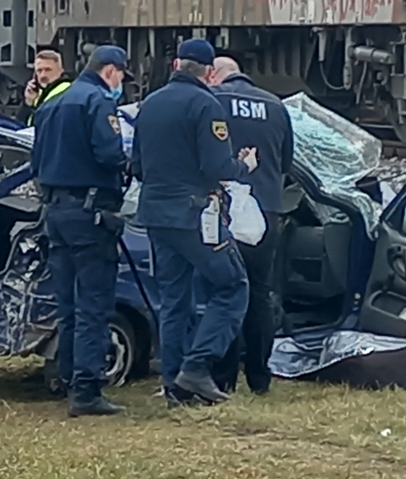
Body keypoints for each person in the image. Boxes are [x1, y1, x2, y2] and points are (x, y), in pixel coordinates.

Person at [130, 39, 257, 407]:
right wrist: (243, 166)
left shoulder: (149, 104)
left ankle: (175, 385)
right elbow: (217, 167)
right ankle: (198, 367)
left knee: (174, 300)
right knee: (233, 286)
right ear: (209, 73)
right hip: (196, 215)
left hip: (155, 215)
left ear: (175, 65)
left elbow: (137, 166)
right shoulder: (206, 105)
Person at [31, 44, 131, 417]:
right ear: (110, 71)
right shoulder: (97, 102)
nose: (121, 83)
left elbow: (36, 162)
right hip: (90, 214)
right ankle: (87, 391)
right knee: (94, 303)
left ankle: (66, 376)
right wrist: (126, 163)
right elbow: (109, 154)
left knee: (68, 305)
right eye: (121, 76)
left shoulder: (52, 103)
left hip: (55, 212)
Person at [208, 55, 294, 396]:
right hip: (267, 213)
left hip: (225, 212)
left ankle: (223, 377)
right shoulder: (275, 106)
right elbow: (286, 162)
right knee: (259, 293)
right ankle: (259, 376)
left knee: (225, 291)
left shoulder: (212, 101)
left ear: (214, 76)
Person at [16, 49, 72, 126]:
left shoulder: (67, 90)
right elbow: (20, 123)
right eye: (39, 71)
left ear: (60, 70)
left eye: (48, 70)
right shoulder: (39, 92)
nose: (43, 75)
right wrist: (28, 102)